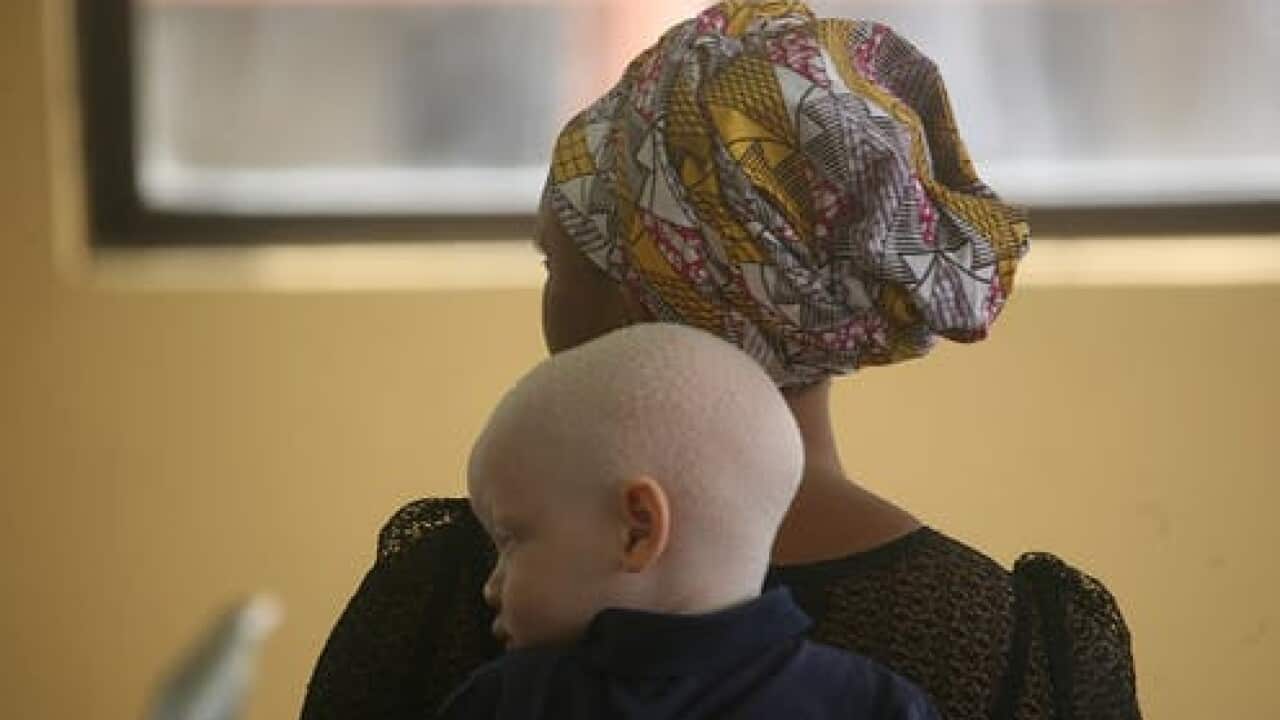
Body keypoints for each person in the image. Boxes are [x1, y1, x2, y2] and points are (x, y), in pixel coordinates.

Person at [300, 3, 1141, 719]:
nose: (547, 303)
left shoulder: (459, 596)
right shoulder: (1016, 645)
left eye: (558, 265)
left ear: (647, 294)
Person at [438, 322, 939, 719]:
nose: (491, 585)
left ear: (637, 529)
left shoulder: (516, 701)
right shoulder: (874, 703)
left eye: (510, 539)